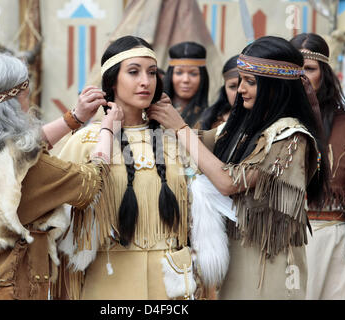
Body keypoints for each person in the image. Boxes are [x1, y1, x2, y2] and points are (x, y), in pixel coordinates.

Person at [148, 36, 329, 299]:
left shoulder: (292, 136)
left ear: (275, 86)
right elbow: (195, 147)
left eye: (250, 82)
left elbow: (228, 182)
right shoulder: (244, 129)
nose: (240, 89)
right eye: (240, 80)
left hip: (269, 266)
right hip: (233, 256)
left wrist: (180, 128)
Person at [0, 53, 123, 299]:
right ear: (17, 100)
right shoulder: (26, 168)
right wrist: (107, 130)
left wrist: (74, 118)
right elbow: (91, 183)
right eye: (26, 92)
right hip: (0, 291)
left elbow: (23, 148)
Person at [54, 35, 228, 300]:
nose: (145, 82)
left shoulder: (176, 139)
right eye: (133, 72)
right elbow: (59, 218)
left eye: (151, 73)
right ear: (112, 80)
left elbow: (203, 215)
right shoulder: (86, 142)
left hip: (173, 284)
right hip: (110, 284)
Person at [290, 32, 345, 300]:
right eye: (295, 69)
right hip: (284, 241)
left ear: (324, 73)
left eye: (309, 68)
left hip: (334, 241)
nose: (302, 76)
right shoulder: (270, 125)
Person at [163, 41, 209, 129]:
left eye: (193, 74)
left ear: (203, 77)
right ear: (170, 75)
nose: (186, 80)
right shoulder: (154, 112)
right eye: (179, 72)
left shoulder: (211, 117)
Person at [200, 55, 239, 130]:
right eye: (233, 86)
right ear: (225, 88)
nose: (240, 90)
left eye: (250, 83)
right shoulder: (211, 118)